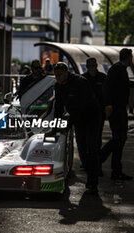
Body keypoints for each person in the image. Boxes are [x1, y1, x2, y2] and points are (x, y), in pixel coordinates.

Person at [50, 62, 101, 194]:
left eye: (60, 75)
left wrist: (67, 125)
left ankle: (93, 181)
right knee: (82, 150)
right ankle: (90, 172)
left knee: (91, 148)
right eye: (55, 75)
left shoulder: (80, 82)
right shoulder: (58, 86)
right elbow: (58, 109)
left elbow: (81, 106)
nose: (58, 78)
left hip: (91, 116)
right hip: (78, 119)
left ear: (67, 72)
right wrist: (54, 128)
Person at [101, 48, 134, 180]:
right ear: (128, 57)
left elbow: (123, 84)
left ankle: (115, 170)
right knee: (119, 138)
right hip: (117, 109)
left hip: (118, 108)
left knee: (120, 139)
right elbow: (108, 87)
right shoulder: (117, 69)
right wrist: (108, 104)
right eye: (131, 57)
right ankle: (99, 159)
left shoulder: (118, 69)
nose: (132, 60)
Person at [82, 57, 107, 150]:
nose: (92, 67)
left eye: (93, 65)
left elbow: (107, 93)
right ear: (87, 66)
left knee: (98, 133)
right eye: (89, 65)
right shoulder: (83, 78)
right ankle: (88, 155)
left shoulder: (103, 77)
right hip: (86, 111)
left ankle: (97, 155)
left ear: (96, 65)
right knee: (87, 133)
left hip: (99, 110)